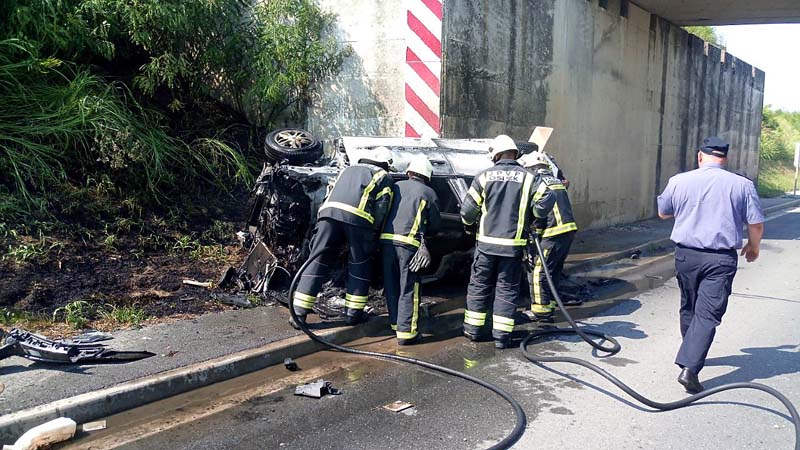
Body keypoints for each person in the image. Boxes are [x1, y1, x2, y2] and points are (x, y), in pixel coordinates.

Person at [657, 136, 764, 394]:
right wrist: (753, 246)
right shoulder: (742, 185)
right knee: (708, 314)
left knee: (689, 306)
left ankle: (691, 350)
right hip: (720, 260)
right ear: (725, 158)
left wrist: (690, 207)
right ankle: (690, 369)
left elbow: (663, 212)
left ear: (700, 156)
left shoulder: (679, 181)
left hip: (686, 256)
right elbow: (756, 223)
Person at [460, 135, 556, 349]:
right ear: (515, 153)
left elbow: (467, 211)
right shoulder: (529, 178)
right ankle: (502, 337)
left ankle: (473, 330)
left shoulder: (484, 177)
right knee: (507, 289)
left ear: (495, 155)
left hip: (486, 246)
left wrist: (469, 226)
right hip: (513, 247)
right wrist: (535, 214)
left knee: (479, 286)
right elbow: (548, 198)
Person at [291, 147, 395, 328]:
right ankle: (353, 314)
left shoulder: (348, 170)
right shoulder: (383, 176)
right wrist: (374, 234)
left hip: (328, 214)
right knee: (360, 263)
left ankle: (298, 313)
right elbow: (382, 206)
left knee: (317, 260)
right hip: (359, 218)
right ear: (385, 164)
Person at [380, 156, 441, 345]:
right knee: (409, 287)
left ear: (409, 172)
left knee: (391, 285)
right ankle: (407, 333)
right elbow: (435, 224)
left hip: (386, 242)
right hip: (409, 245)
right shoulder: (429, 193)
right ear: (427, 176)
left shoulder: (396, 186)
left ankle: (395, 324)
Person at [518, 151, 579, 322]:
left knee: (538, 271)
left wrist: (533, 234)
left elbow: (539, 212)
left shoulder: (537, 182)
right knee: (553, 271)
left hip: (553, 233)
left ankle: (540, 310)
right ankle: (549, 304)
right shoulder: (554, 180)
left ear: (531, 168)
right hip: (567, 231)